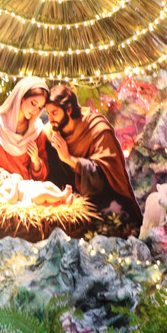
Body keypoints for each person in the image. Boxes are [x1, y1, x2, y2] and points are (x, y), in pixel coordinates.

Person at [43, 84, 142, 232]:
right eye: (48, 113)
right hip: (71, 196)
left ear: (69, 110)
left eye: (54, 113)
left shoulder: (97, 130)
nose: (50, 119)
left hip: (104, 197)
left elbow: (104, 176)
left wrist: (69, 159)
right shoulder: (52, 131)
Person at [0, 168, 75, 206]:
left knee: (48, 184)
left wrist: (13, 176)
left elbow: (18, 177)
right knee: (43, 194)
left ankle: (63, 199)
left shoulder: (5, 179)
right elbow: (12, 200)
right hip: (30, 197)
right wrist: (15, 184)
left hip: (35, 186)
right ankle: (61, 197)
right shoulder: (1, 190)